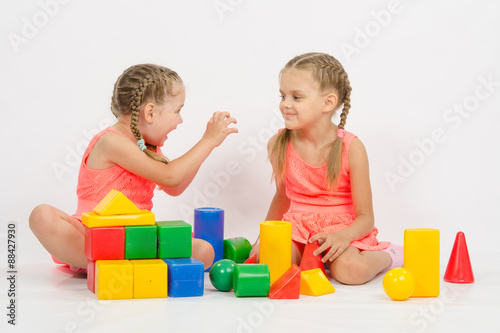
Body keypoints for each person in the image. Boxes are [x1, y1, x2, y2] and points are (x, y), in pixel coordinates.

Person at [29, 64, 237, 273]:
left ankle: (124, 264)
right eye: (177, 111)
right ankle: (107, 263)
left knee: (205, 251)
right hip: (92, 236)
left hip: (136, 240)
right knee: (42, 216)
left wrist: (206, 143)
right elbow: (170, 176)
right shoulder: (111, 142)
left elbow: (175, 186)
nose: (180, 120)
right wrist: (208, 142)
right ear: (150, 112)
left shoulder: (148, 149)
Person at [252, 52, 402, 285]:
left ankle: (389, 255)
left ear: (328, 102)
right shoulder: (278, 144)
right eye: (283, 95)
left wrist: (343, 236)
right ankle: (315, 260)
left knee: (351, 272)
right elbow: (282, 197)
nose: (285, 104)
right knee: (272, 266)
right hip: (297, 229)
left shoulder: (351, 148)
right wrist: (262, 238)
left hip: (341, 230)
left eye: (297, 97)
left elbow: (365, 217)